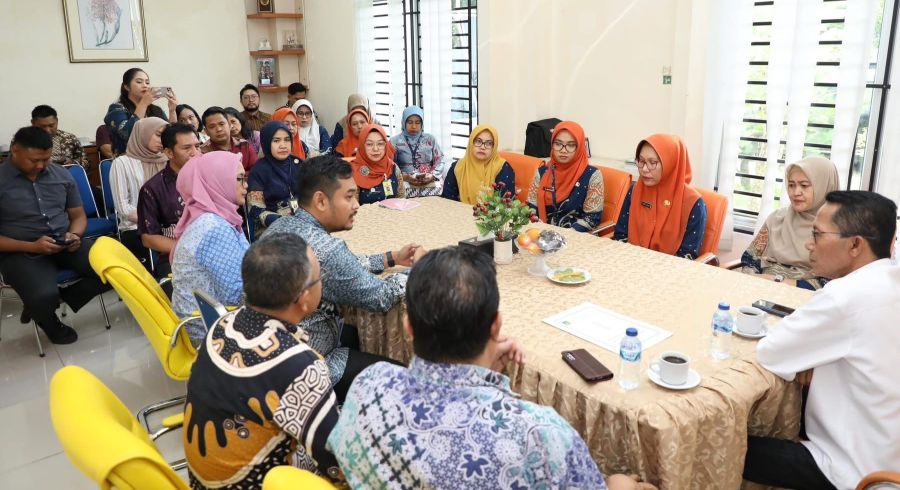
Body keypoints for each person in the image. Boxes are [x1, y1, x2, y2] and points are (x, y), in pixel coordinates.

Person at [327, 246, 655, 490]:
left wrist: (486, 376)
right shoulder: (541, 436)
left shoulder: (369, 386)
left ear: (408, 326)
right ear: (496, 326)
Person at [744, 191, 900, 490]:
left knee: (721, 443)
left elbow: (771, 352)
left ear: (855, 245)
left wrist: (811, 358)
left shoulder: (845, 296)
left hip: (854, 469)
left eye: (817, 234)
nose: (809, 243)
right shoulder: (890, 280)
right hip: (887, 450)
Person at [183, 233, 344, 488]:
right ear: (303, 299)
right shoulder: (301, 368)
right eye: (320, 278)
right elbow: (339, 463)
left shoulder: (221, 325)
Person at [263, 155, 424, 400]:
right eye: (349, 197)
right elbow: (380, 297)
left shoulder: (280, 227)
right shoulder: (326, 250)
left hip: (269, 355)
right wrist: (420, 269)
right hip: (308, 367)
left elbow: (345, 267)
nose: (357, 205)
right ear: (321, 200)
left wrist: (391, 257)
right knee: (404, 377)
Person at [0, 127, 108, 344]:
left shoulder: (60, 174)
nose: (41, 165)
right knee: (42, 295)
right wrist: (32, 247)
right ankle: (49, 319)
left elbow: (78, 216)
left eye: (46, 159)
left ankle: (49, 302)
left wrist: (74, 235)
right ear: (15, 151)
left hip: (64, 242)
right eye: (34, 160)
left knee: (113, 269)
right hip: (20, 251)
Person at [170, 152, 250, 343]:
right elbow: (236, 295)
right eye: (239, 179)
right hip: (213, 330)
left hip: (206, 319)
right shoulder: (214, 229)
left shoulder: (209, 217)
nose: (246, 185)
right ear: (218, 182)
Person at [740, 157, 840, 290]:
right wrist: (751, 279)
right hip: (760, 288)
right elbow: (750, 258)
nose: (795, 192)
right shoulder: (777, 218)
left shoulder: (837, 228)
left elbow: (829, 283)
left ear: (824, 186)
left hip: (804, 296)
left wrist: (778, 282)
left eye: (804, 185)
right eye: (791, 185)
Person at [613, 134, 707, 259]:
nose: (644, 169)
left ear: (671, 164)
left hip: (669, 268)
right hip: (630, 260)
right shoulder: (635, 191)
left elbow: (687, 255)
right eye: (641, 161)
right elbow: (620, 235)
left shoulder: (693, 203)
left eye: (652, 163)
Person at [137, 123, 200, 279]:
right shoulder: (152, 188)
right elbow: (148, 238)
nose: (195, 153)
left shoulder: (209, 178)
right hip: (176, 255)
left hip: (216, 249)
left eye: (197, 146)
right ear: (169, 152)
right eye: (187, 148)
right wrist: (189, 249)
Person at [109, 117, 169, 268]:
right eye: (158, 135)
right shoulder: (122, 163)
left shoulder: (167, 159)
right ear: (143, 133)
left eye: (165, 136)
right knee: (156, 264)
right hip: (136, 227)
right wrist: (152, 221)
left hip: (169, 225)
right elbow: (122, 207)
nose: (162, 140)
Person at [528, 121, 604, 231]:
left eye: (571, 145)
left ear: (580, 146)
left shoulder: (592, 176)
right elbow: (531, 207)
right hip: (541, 233)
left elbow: (592, 218)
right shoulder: (542, 172)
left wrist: (565, 235)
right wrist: (539, 228)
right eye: (558, 144)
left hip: (576, 236)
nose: (563, 150)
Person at [247, 121, 304, 235]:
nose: (283, 145)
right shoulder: (258, 171)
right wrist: (283, 222)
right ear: (266, 143)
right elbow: (256, 210)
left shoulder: (299, 164)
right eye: (276, 141)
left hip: (304, 219)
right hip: (273, 225)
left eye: (287, 140)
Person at [104, 67, 177, 154]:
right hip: (128, 158)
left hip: (157, 157)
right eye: (139, 82)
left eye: (147, 82)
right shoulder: (117, 109)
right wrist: (143, 104)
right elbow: (126, 134)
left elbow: (171, 135)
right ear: (126, 87)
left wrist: (172, 111)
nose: (145, 85)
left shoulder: (156, 110)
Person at [441, 124, 516, 204]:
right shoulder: (457, 167)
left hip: (490, 212)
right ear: (471, 143)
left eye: (489, 143)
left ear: (494, 147)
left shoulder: (503, 168)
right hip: (459, 211)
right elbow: (447, 200)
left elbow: (505, 204)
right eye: (478, 141)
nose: (482, 147)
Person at [390, 105, 445, 197]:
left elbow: (440, 160)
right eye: (410, 122)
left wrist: (432, 175)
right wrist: (405, 177)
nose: (414, 126)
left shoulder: (430, 139)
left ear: (422, 123)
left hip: (429, 182)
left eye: (417, 122)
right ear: (404, 122)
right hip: (404, 182)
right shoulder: (394, 141)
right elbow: (390, 165)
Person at [349, 124, 405, 205]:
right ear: (362, 146)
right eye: (369, 144)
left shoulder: (392, 167)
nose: (375, 149)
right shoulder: (353, 171)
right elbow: (352, 207)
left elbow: (402, 199)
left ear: (385, 145)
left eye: (380, 144)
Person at [199, 106, 257, 171]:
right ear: (206, 131)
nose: (219, 129)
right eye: (212, 127)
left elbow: (257, 171)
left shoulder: (244, 145)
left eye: (222, 124)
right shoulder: (203, 152)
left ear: (229, 125)